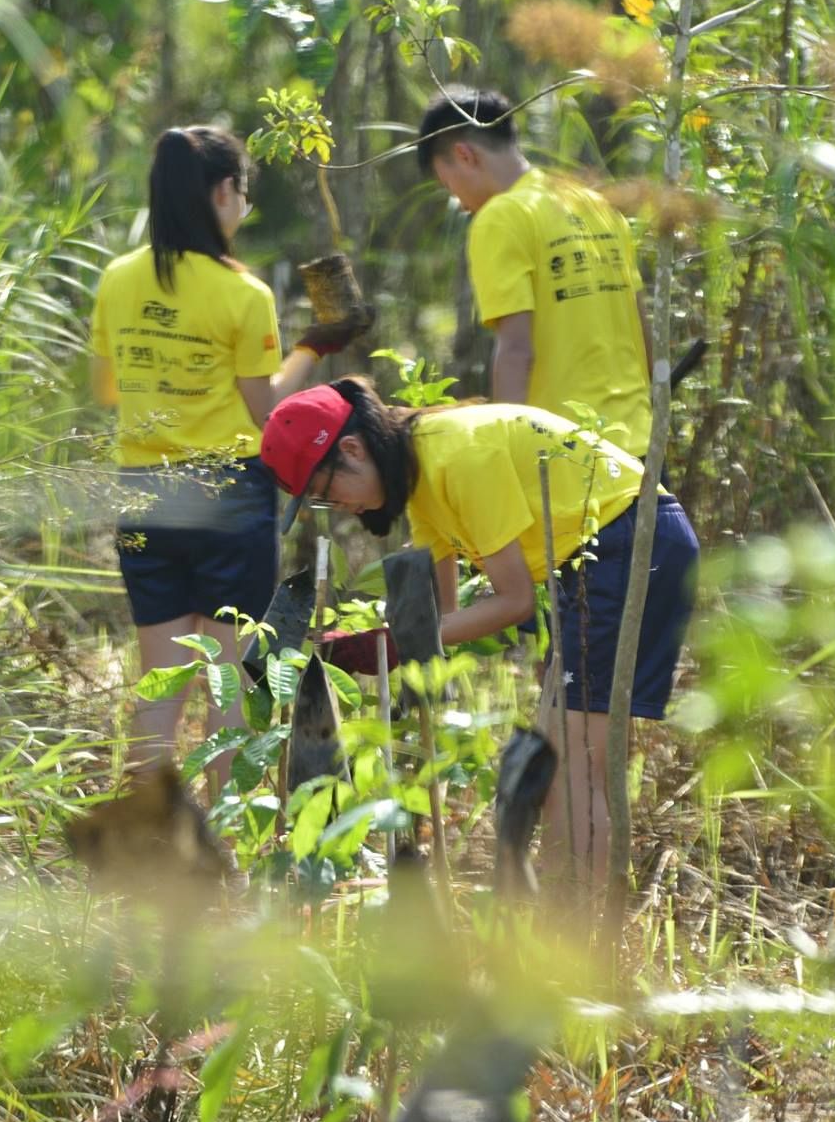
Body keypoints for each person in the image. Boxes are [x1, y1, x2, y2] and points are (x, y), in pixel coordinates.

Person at [258, 378, 699, 899]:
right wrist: (374, 641)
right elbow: (445, 617)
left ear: (352, 449)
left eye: (326, 491)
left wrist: (389, 645)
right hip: (593, 559)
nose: (338, 505)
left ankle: (581, 931)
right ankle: (564, 923)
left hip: (631, 544)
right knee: (554, 770)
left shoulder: (458, 456)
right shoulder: (420, 474)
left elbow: (512, 602)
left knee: (574, 771)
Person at [90, 126, 366, 778]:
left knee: (159, 688)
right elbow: (266, 410)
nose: (245, 205)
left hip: (143, 492)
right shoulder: (243, 293)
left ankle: (149, 831)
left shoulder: (118, 279)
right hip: (229, 497)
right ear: (221, 192)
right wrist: (313, 346)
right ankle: (228, 835)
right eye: (243, 191)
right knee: (231, 688)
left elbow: (106, 390)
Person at [417, 87, 655, 459]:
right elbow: (640, 324)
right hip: (641, 448)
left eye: (449, 185)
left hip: (568, 458)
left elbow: (516, 350)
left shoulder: (501, 217)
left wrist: (509, 454)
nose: (459, 203)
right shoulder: (594, 204)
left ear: (464, 155)